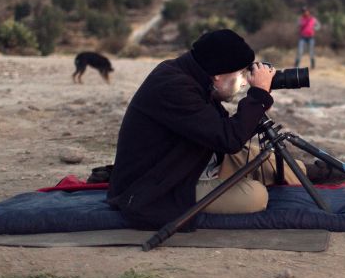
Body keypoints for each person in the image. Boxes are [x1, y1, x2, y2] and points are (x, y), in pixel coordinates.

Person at [107, 29, 305, 229]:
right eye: (241, 74)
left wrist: (257, 104)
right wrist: (257, 97)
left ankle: (318, 171)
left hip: (188, 160)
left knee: (290, 167)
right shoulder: (173, 87)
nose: (244, 81)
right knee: (256, 196)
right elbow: (228, 139)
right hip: (158, 185)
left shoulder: (191, 75)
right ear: (218, 75)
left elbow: (221, 129)